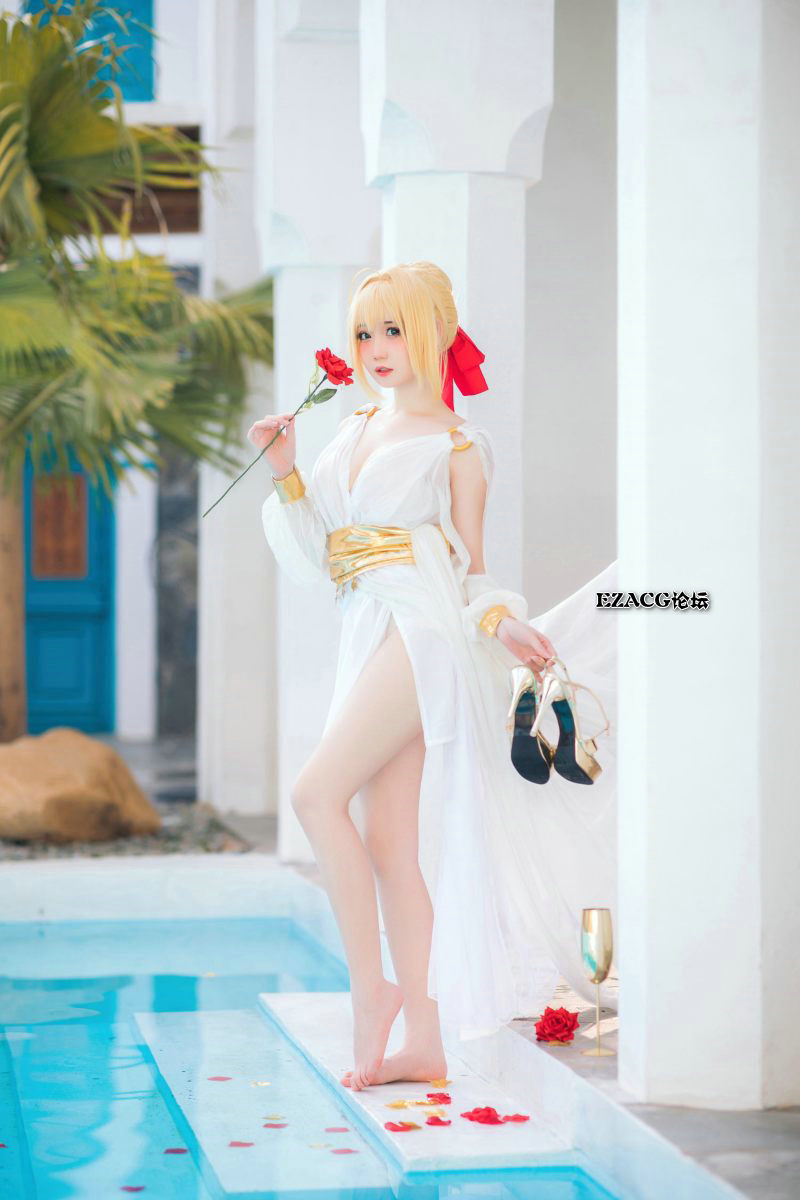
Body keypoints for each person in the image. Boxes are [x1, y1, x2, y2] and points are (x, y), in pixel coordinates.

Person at [248, 261, 617, 1092]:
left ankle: (371, 991)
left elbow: (472, 571)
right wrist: (284, 468)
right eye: (365, 332)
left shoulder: (458, 444)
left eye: (394, 329)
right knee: (386, 838)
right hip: (368, 626)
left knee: (314, 795)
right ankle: (422, 1036)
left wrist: (503, 621)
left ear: (434, 333)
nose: (377, 347)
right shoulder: (353, 428)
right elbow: (321, 554)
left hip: (423, 634)